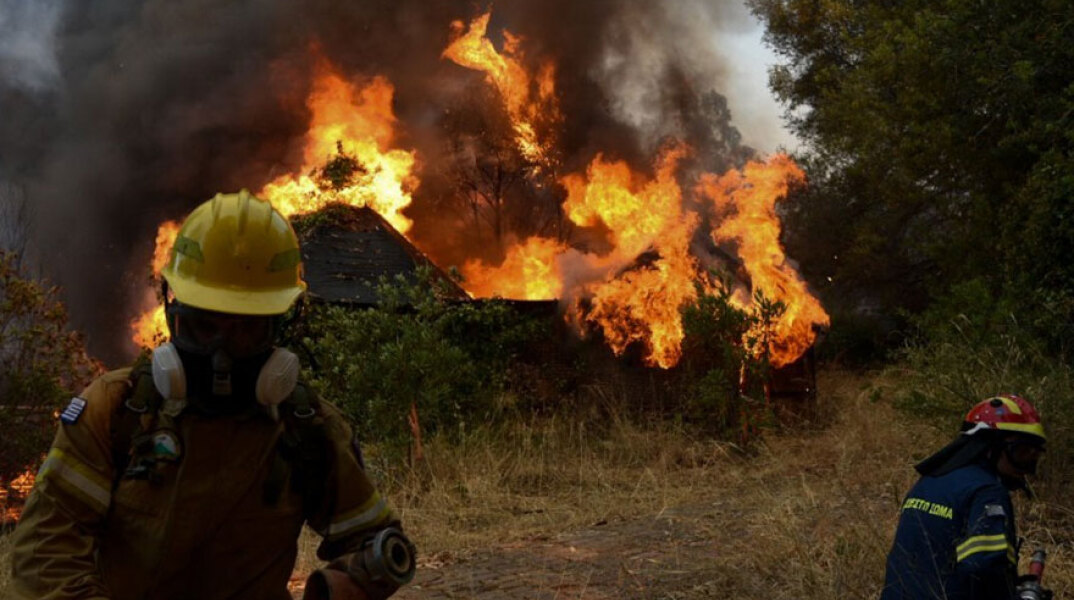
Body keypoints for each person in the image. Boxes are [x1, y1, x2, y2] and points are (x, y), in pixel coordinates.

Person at [10, 191, 414, 600]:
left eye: (247, 329)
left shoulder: (306, 427)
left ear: (279, 326)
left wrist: (333, 591)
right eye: (206, 326)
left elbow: (378, 547)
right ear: (174, 314)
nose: (222, 355)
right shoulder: (115, 410)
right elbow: (45, 554)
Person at [880, 394, 1050, 600]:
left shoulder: (930, 480)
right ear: (990, 447)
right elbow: (985, 569)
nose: (1026, 467)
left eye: (1033, 456)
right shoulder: (988, 491)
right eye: (1021, 452)